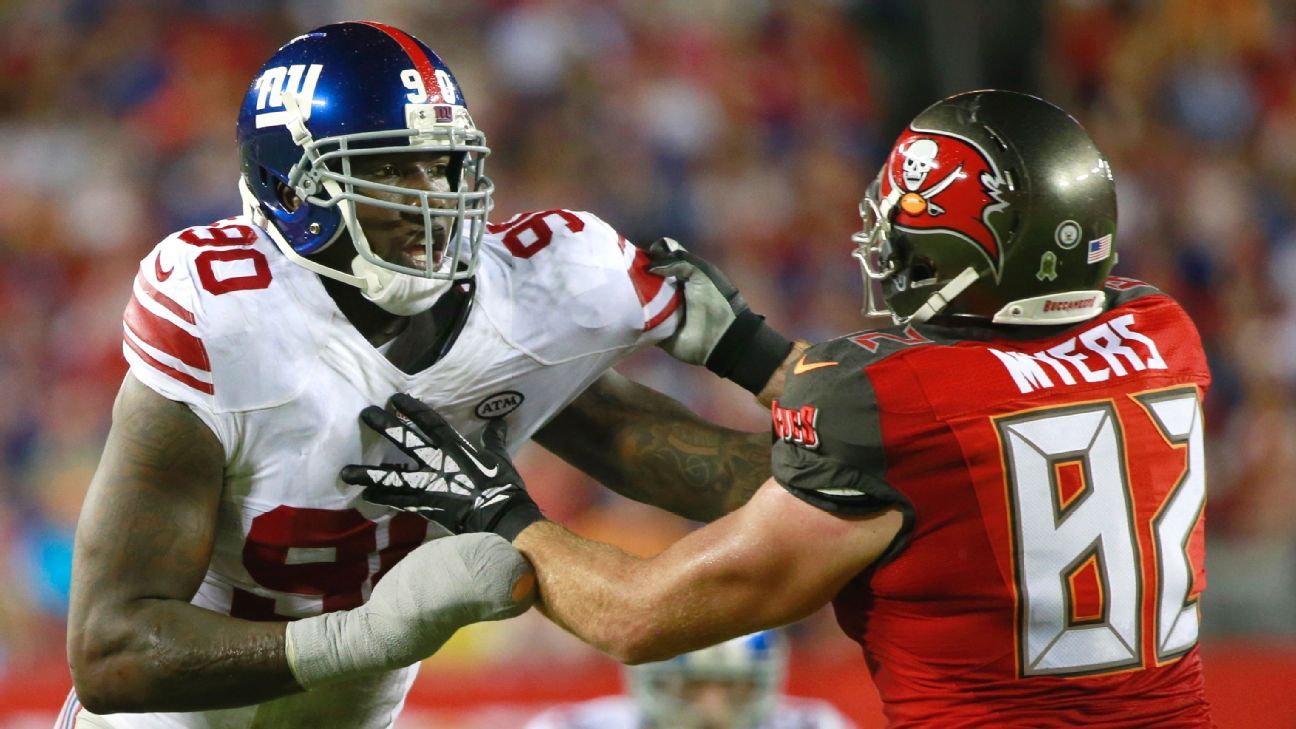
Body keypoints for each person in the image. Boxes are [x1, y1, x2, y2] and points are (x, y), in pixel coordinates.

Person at [351, 90, 1217, 727]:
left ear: (967, 254)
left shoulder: (887, 398)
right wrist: (749, 348)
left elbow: (638, 615)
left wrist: (496, 509)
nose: (890, 251)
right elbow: (952, 428)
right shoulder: (1162, 329)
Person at [61, 21, 803, 729]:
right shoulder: (227, 320)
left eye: (441, 164)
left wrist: (859, 472)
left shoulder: (521, 306)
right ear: (291, 186)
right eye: (385, 168)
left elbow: (679, 458)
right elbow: (111, 646)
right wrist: (362, 639)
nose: (431, 199)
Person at [524, 630, 857, 729]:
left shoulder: (813, 725)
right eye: (691, 686)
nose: (713, 710)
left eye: (734, 688)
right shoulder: (574, 726)